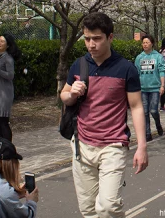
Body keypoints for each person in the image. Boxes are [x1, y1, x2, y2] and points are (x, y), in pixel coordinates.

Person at [60, 12, 148, 218]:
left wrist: (142, 146)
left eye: (97, 39)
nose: (91, 44)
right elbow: (64, 96)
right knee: (89, 210)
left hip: (113, 146)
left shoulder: (126, 68)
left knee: (108, 207)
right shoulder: (79, 65)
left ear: (110, 37)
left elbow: (136, 107)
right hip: (82, 146)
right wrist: (72, 93)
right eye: (87, 39)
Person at [135, 35, 165, 141]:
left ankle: (158, 124)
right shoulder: (139, 57)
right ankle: (147, 133)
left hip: (155, 88)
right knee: (145, 112)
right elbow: (136, 73)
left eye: (147, 42)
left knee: (153, 110)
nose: (145, 44)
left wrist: (162, 85)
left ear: (152, 43)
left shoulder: (158, 56)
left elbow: (162, 71)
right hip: (143, 89)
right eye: (143, 43)